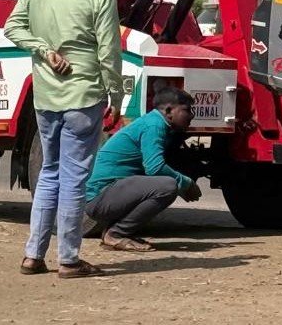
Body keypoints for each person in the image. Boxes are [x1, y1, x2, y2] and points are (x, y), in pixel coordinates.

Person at [4, 0, 123, 279]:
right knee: (74, 178)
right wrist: (115, 92)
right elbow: (109, 51)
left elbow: (13, 27)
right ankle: (69, 259)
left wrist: (43, 50)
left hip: (46, 94)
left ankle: (32, 255)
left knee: (50, 174)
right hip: (83, 93)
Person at [84, 87, 202, 252]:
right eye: (187, 110)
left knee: (166, 184)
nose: (192, 115)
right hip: (100, 198)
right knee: (167, 186)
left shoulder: (156, 123)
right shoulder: (154, 125)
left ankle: (115, 232)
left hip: (108, 195)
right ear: (169, 111)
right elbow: (155, 167)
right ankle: (116, 234)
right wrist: (186, 183)